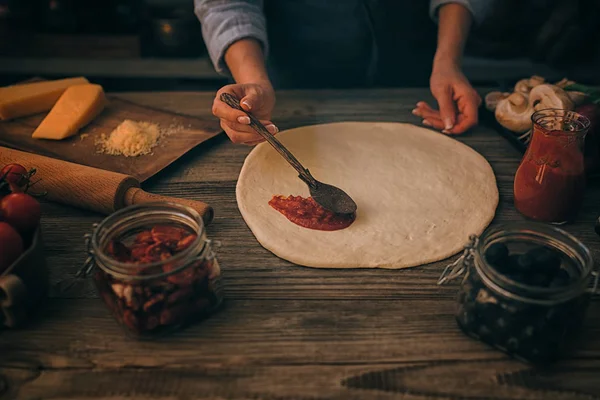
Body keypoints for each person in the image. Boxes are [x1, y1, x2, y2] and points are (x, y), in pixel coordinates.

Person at [195, 0, 493, 145]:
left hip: (419, 76)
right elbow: (228, 3)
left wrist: (448, 61)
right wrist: (253, 81)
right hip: (295, 88)